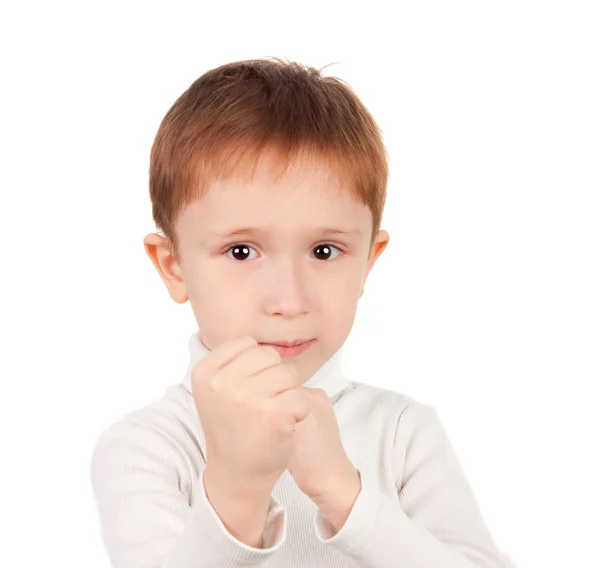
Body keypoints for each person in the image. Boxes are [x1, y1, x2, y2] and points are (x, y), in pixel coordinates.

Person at [90, 58, 519, 567]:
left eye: (324, 251)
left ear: (367, 262)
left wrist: (344, 493)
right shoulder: (149, 446)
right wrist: (236, 488)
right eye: (241, 252)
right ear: (173, 266)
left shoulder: (402, 432)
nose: (289, 301)